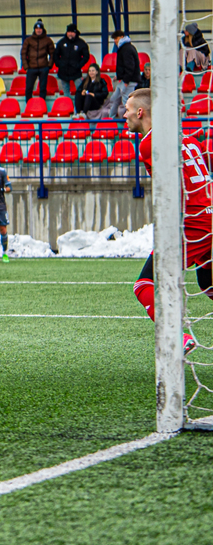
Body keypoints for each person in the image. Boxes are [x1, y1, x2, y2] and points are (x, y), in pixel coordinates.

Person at [127, 87, 205, 355]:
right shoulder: (189, 139)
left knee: (143, 285)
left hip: (192, 224)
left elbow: (170, 190)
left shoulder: (149, 143)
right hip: (208, 215)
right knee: (207, 283)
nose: (124, 115)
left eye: (128, 110)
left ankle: (177, 337)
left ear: (140, 112)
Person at [105, 28, 141, 118]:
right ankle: (111, 119)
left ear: (121, 37)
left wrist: (126, 81)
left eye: (116, 38)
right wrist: (118, 76)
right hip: (125, 80)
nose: (115, 41)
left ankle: (129, 121)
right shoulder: (125, 48)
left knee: (126, 102)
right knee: (114, 98)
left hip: (129, 81)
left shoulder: (126, 49)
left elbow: (130, 67)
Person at [53, 23, 90, 97]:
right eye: (69, 32)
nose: (70, 34)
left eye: (72, 32)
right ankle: (68, 104)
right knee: (66, 93)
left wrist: (79, 65)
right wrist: (59, 64)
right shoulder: (61, 42)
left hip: (76, 71)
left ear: (75, 33)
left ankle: (79, 104)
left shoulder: (81, 43)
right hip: (63, 72)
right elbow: (55, 55)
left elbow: (86, 56)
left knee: (80, 91)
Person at [20, 20, 52, 101]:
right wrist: (26, 66)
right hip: (31, 67)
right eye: (37, 29)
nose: (38, 30)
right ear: (34, 30)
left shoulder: (48, 40)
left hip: (43, 67)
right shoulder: (28, 40)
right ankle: (28, 104)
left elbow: (52, 53)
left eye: (40, 29)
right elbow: (23, 53)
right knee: (29, 88)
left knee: (42, 88)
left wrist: (49, 65)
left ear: (43, 30)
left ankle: (42, 104)